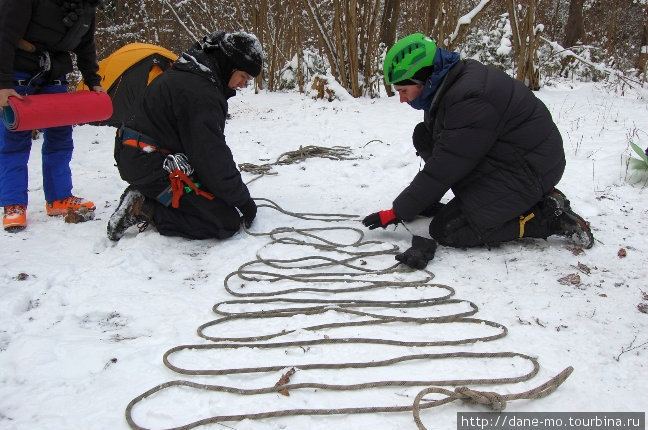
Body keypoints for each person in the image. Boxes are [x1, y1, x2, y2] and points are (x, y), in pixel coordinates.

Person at [362, 33, 594, 257]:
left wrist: (397, 211)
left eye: (403, 90)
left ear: (425, 80)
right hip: (510, 155)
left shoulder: (469, 99)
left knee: (448, 230)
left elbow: (445, 166)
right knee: (425, 135)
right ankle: (507, 201)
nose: (401, 98)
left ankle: (545, 217)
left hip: (530, 170)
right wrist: (422, 200)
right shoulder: (449, 83)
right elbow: (448, 150)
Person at [107, 31, 262, 242]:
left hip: (144, 154)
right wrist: (243, 200)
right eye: (243, 76)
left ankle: (151, 195)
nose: (243, 84)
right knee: (224, 221)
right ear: (230, 65)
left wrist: (231, 193)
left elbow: (206, 154)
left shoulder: (193, 76)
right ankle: (145, 207)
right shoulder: (200, 92)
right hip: (149, 162)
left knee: (218, 198)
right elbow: (210, 157)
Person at [0, 0, 105, 232]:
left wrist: (92, 80)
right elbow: (4, 34)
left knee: (60, 137)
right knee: (14, 138)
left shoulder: (87, 6)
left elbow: (86, 45)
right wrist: (3, 83)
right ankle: (13, 204)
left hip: (54, 71)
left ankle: (58, 198)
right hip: (17, 70)